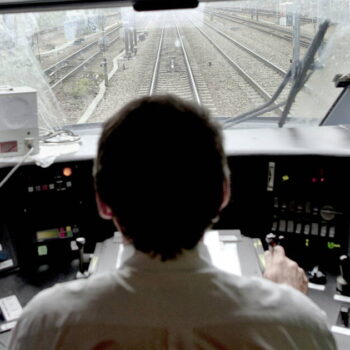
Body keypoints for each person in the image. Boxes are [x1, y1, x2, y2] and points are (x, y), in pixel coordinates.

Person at [9, 95, 336, 350]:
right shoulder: (298, 322)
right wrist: (286, 301)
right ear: (223, 194)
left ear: (103, 203)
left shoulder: (46, 322)